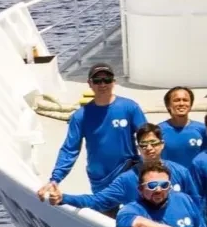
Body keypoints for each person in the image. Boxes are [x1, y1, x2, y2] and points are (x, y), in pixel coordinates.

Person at [36, 63, 146, 201]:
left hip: (128, 172)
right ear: (89, 83)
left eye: (107, 80)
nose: (102, 84)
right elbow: (70, 150)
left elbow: (148, 138)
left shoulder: (130, 107)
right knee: (106, 218)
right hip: (100, 179)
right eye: (97, 80)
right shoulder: (80, 116)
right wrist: (55, 179)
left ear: (114, 82)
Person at [51, 122, 198, 214]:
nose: (149, 148)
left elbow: (195, 204)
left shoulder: (181, 172)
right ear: (138, 148)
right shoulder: (126, 179)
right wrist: (64, 198)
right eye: (144, 145)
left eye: (153, 143)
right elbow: (97, 201)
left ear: (162, 144)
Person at [114, 161, 207, 227]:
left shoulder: (184, 200)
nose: (158, 190)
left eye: (164, 185)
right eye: (152, 185)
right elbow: (123, 223)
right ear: (141, 189)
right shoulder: (133, 209)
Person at [157, 87, 207, 170]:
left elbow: (206, 157)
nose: (181, 103)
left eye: (185, 100)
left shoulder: (202, 129)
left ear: (191, 104)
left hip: (195, 179)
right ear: (168, 105)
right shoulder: (158, 130)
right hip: (170, 179)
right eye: (176, 100)